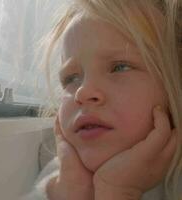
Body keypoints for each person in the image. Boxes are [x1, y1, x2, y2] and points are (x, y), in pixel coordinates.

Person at [22, 0, 182, 199]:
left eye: (120, 67)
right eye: (71, 78)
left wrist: (120, 192)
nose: (82, 92)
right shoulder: (65, 171)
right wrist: (69, 191)